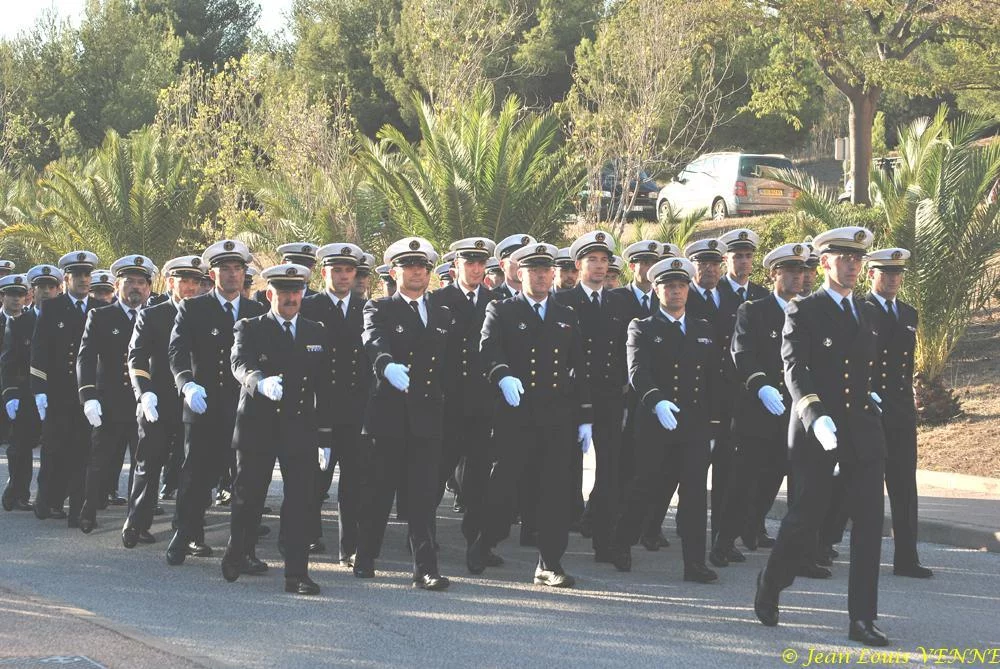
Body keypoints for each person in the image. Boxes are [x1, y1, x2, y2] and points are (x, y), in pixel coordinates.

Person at [753, 226, 890, 648]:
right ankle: (772, 581)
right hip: (819, 429)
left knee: (868, 523)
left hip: (861, 430)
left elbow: (860, 366)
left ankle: (862, 620)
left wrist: (870, 390)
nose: (851, 266)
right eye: (843, 258)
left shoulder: (865, 312)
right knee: (806, 517)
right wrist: (814, 414)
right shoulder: (804, 310)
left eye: (856, 259)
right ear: (825, 262)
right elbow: (795, 368)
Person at [473, 242, 592, 587]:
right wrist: (502, 374)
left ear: (553, 274)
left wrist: (584, 416)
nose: (541, 276)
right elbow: (488, 349)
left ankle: (549, 562)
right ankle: (485, 542)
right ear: (520, 274)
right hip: (516, 413)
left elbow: (578, 368)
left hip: (556, 416)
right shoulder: (503, 310)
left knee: (554, 491)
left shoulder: (566, 315)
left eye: (546, 271)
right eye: (534, 271)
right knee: (505, 487)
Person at [710, 244, 824, 572]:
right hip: (758, 411)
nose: (797, 278)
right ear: (774, 274)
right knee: (743, 480)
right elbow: (741, 352)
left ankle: (790, 545)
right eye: (789, 271)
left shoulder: (810, 312)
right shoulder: (754, 310)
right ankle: (723, 541)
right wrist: (760, 386)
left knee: (786, 481)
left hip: (796, 412)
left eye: (801, 272)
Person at [222, 263, 332, 596]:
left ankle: (296, 574)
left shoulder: (315, 331)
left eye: (296, 292)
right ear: (270, 294)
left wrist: (324, 437)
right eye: (283, 292)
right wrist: (259, 382)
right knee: (248, 497)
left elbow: (323, 386)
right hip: (258, 424)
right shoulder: (250, 327)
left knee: (300, 502)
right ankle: (237, 549)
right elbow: (239, 362)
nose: (290, 298)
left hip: (298, 427)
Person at [609, 256, 721, 583]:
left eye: (681, 286)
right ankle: (622, 543)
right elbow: (637, 372)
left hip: (694, 423)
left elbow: (713, 378)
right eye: (669, 286)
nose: (676, 292)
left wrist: (713, 424)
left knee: (695, 494)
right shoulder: (642, 327)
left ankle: (694, 563)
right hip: (655, 420)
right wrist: (656, 401)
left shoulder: (703, 329)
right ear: (657, 289)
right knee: (645, 485)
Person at [353, 236, 451, 591]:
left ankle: (425, 568)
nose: (416, 272)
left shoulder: (441, 312)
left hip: (427, 416)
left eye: (422, 267)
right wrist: (386, 366)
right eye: (409, 266)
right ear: (394, 272)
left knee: (423, 497)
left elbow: (448, 366)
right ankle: (365, 556)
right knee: (379, 492)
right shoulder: (378, 308)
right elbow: (372, 340)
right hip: (389, 415)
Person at [166, 239, 266, 567]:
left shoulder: (256, 312)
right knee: (196, 476)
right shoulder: (194, 307)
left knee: (244, 483)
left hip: (243, 410)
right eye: (226, 268)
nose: (233, 274)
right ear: (213, 273)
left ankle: (243, 550)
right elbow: (177, 350)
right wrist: (186, 384)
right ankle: (185, 535)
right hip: (203, 405)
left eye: (238, 268)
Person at [553, 231, 630, 563]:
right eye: (592, 260)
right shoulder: (563, 302)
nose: (600, 267)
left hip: (610, 396)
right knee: (562, 467)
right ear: (578, 265)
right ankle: (553, 543)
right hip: (571, 397)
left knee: (611, 470)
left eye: (604, 261)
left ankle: (605, 542)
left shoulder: (619, 301)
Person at [122, 255, 205, 548]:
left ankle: (188, 530)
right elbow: (136, 356)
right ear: (170, 283)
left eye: (196, 282)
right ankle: (137, 522)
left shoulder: (205, 314)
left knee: (190, 469)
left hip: (192, 404)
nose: (191, 288)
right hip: (157, 402)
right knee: (148, 463)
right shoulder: (153, 315)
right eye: (185, 282)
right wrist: (143, 393)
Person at [428, 237, 500, 573]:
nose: (474, 268)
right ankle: (424, 541)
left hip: (482, 406)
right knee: (435, 474)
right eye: (468, 262)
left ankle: (477, 544)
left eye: (479, 263)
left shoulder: (496, 300)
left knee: (478, 482)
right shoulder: (438, 300)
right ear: (456, 265)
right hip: (446, 404)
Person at [861, 249, 931, 578]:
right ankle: (826, 544)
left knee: (904, 484)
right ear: (870, 275)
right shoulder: (861, 310)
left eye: (896, 273)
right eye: (884, 273)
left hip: (900, 408)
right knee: (861, 485)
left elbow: (905, 364)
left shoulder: (908, 314)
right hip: (868, 406)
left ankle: (906, 557)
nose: (892, 279)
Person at [301, 243, 371, 566]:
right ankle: (306, 535)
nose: (343, 276)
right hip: (318, 409)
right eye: (336, 270)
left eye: (349, 270)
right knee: (315, 482)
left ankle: (350, 548)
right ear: (323, 272)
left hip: (354, 410)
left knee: (354, 483)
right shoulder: (309, 307)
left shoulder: (364, 309)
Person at [76, 255, 155, 534]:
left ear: (149, 287)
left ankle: (137, 522)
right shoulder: (100, 315)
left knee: (142, 465)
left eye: (141, 283)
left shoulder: (156, 315)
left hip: (145, 404)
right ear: (117, 285)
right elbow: (85, 358)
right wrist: (88, 396)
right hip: (109, 402)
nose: (135, 287)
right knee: (99, 461)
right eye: (129, 282)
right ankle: (88, 510)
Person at [30, 250, 100, 526]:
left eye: (87, 275)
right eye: (78, 275)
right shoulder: (52, 307)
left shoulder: (99, 307)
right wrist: (39, 390)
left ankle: (78, 508)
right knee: (53, 449)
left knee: (83, 450)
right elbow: (39, 351)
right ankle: (47, 499)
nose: (84, 280)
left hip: (87, 393)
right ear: (67, 279)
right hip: (58, 392)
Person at [2, 266, 61, 512]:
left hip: (58, 395)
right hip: (27, 394)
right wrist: (10, 393)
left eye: (50, 287)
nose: (45, 292)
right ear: (32, 293)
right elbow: (8, 361)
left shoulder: (66, 317)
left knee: (56, 447)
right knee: (20, 447)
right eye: (40, 288)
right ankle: (17, 490)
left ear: (58, 289)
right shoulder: (21, 322)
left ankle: (49, 497)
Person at [252, 243, 318, 306]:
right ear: (283, 263)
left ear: (313, 267)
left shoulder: (319, 301)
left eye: (308, 266)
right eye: (296, 265)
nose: (301, 269)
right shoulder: (262, 299)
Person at [492, 234, 536, 299]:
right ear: (502, 265)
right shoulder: (491, 298)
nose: (522, 264)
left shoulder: (541, 296)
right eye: (516, 259)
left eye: (526, 260)